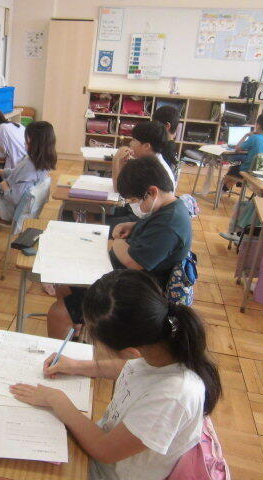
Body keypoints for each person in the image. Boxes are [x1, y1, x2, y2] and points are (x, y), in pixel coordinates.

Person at [11, 269, 222, 480]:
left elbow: (104, 450)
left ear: (131, 351)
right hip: (103, 448)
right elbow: (129, 368)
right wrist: (76, 366)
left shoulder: (172, 396)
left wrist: (57, 401)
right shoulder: (160, 347)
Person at [47, 156, 191, 339]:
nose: (135, 205)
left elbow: (134, 262)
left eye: (135, 200)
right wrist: (134, 226)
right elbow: (153, 231)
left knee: (57, 314)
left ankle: (70, 334)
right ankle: (80, 327)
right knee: (63, 284)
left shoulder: (169, 224)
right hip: (124, 276)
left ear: (152, 192)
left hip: (136, 293)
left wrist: (117, 243)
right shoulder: (167, 207)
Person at [0, 121, 57, 221]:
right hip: (10, 203)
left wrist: (4, 185)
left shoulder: (29, 168)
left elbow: (14, 198)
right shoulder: (41, 162)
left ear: (35, 142)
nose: (24, 142)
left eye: (27, 138)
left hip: (7, 209)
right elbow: (16, 174)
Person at [222, 112, 263, 190]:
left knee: (233, 169)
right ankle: (234, 186)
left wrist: (246, 135)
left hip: (249, 172)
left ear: (257, 125)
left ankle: (224, 188)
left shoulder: (254, 138)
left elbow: (237, 149)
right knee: (239, 166)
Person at [112, 121, 175, 191]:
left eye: (134, 140)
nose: (130, 143)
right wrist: (121, 163)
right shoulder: (149, 161)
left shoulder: (153, 170)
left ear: (146, 146)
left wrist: (118, 160)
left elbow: (120, 190)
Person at [152, 105, 181, 174]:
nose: (153, 127)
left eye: (155, 124)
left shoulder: (164, 149)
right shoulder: (170, 145)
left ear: (167, 126)